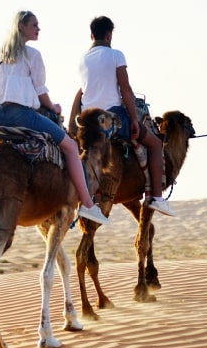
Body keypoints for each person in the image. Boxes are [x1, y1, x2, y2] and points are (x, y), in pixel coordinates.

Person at [0, 10, 109, 225]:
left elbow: (2, 87)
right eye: (34, 25)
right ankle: (88, 205)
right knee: (70, 146)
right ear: (22, 27)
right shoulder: (32, 55)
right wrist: (55, 107)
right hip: (21, 115)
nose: (38, 28)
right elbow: (40, 91)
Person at [70, 15, 175, 217]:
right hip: (111, 117)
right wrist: (134, 119)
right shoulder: (116, 55)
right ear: (109, 36)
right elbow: (125, 89)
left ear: (91, 35)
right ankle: (156, 198)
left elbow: (83, 91)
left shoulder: (82, 59)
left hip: (87, 119)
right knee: (154, 143)